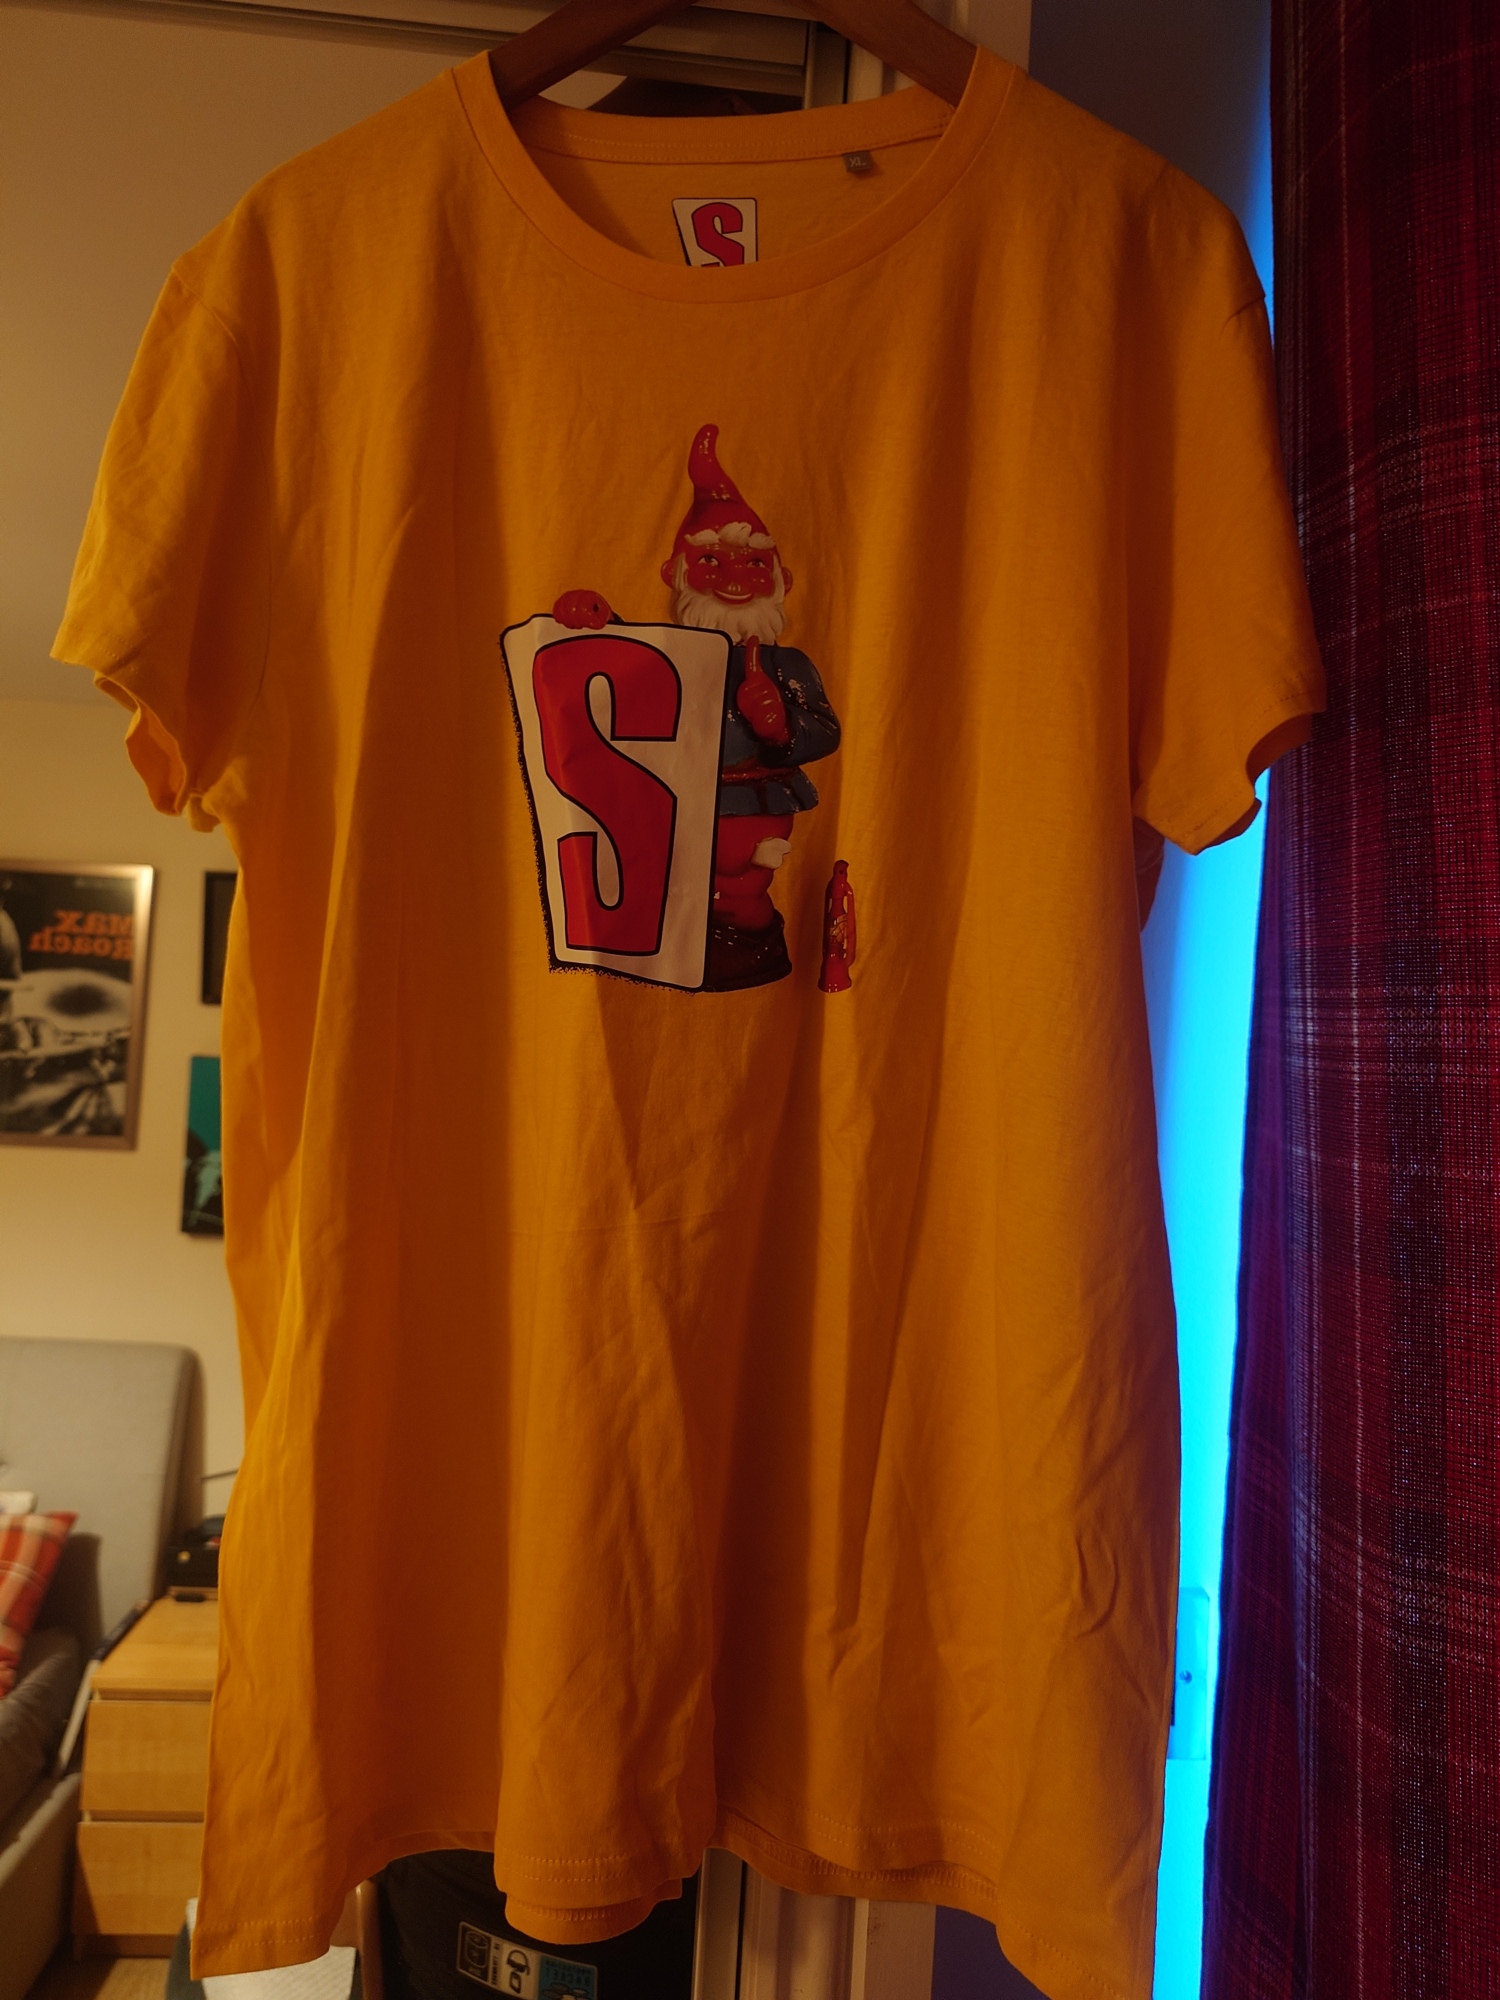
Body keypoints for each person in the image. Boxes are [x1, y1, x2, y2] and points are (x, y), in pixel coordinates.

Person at [553, 424, 840, 990]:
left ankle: (746, 939)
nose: (735, 577)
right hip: (676, 798)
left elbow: (825, 729)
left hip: (755, 801)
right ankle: (698, 941)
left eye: (754, 564)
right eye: (711, 561)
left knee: (743, 881)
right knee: (680, 878)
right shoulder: (673, 655)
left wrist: (780, 725)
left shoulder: (787, 665)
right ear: (676, 574)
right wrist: (600, 624)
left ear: (781, 579)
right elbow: (630, 673)